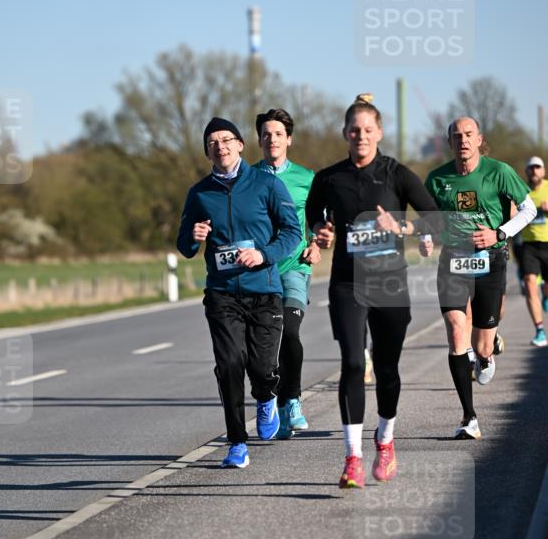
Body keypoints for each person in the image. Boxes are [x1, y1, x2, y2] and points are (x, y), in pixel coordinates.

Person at [306, 93, 438, 489]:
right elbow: (315, 213)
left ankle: (385, 438)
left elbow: (436, 220)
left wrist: (403, 229)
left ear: (379, 132)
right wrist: (321, 231)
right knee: (350, 363)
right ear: (344, 134)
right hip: (348, 283)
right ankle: (352, 458)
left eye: (367, 130)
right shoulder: (329, 178)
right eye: (353, 130)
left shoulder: (397, 174)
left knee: (386, 369)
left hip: (390, 283)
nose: (360, 136)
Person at [176, 117, 302, 468]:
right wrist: (194, 237)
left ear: (241, 144)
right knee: (230, 364)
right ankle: (236, 443)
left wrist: (263, 254)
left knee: (262, 369)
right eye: (213, 142)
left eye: (227, 139)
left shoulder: (266, 185)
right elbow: (184, 245)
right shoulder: (199, 193)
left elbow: (292, 233)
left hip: (263, 291)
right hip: (222, 294)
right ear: (207, 151)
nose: (221, 146)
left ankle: (266, 398)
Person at [421, 118, 536, 439]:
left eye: (469, 135)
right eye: (457, 136)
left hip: (491, 258)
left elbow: (527, 210)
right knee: (457, 330)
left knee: (482, 343)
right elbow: (428, 220)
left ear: (479, 139)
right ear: (449, 142)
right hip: (453, 261)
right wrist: (427, 238)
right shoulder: (436, 179)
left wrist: (499, 232)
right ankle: (468, 417)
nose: (463, 141)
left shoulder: (499, 171)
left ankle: (485, 355)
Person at [251, 108, 321, 438]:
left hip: (294, 266)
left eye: (278, 133)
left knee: (290, 332)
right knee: (267, 341)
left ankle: (292, 399)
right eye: (266, 134)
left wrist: (319, 242)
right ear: (259, 140)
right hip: (260, 272)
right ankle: (274, 402)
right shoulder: (247, 178)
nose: (272, 139)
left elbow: (323, 220)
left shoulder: (308, 178)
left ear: (289, 139)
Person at [519, 155, 548, 346]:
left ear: (543, 171)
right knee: (529, 283)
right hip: (529, 245)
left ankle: (546, 294)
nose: (534, 171)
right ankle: (539, 330)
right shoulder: (521, 191)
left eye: (537, 168)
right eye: (530, 168)